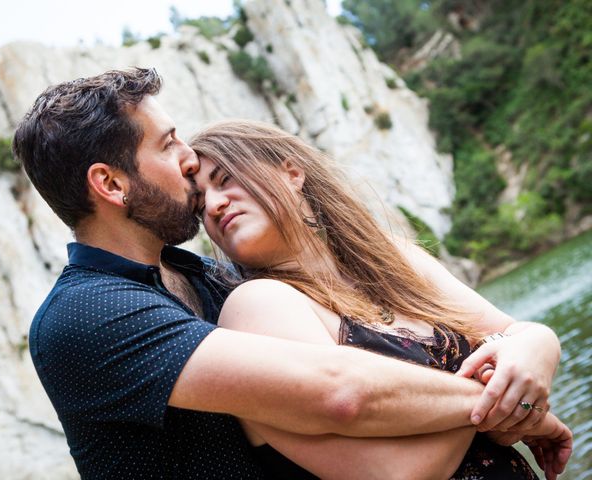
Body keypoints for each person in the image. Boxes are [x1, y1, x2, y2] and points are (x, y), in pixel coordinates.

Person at [12, 67, 563, 479]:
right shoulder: (87, 316)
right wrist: (510, 408)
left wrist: (531, 353)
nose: (188, 160)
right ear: (111, 185)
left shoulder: (209, 277)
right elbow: (339, 392)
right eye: (168, 143)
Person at [189, 119, 573, 479]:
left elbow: (517, 333)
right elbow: (393, 472)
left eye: (225, 180)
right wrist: (510, 406)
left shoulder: (391, 256)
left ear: (292, 174)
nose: (213, 205)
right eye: (199, 203)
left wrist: (538, 350)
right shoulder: (256, 306)